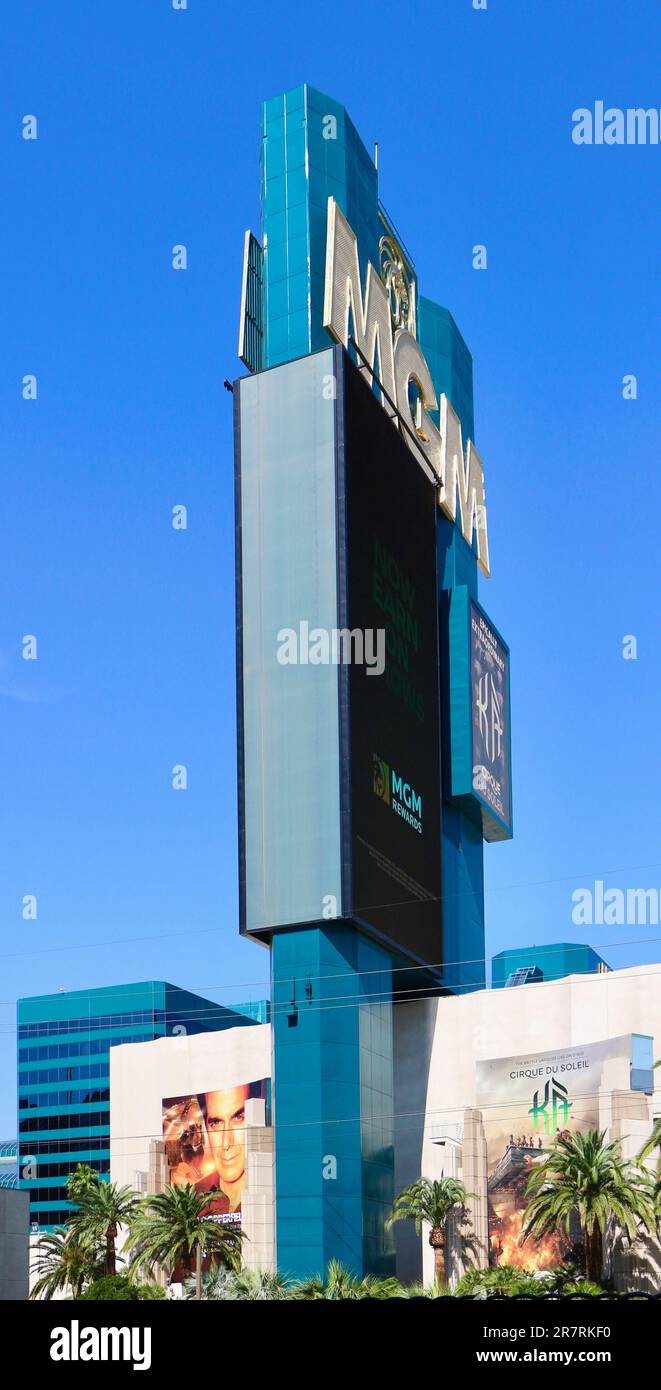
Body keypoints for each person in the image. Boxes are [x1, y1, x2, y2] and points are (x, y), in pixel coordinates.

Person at [202, 1084, 251, 1215]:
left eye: (238, 1117)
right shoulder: (190, 1199)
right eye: (216, 1123)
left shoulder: (275, 1191)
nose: (226, 1143)